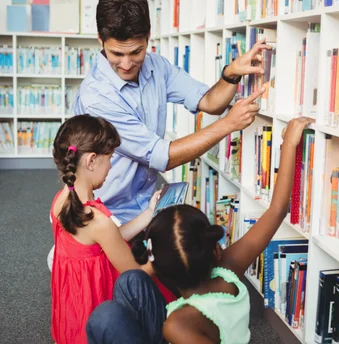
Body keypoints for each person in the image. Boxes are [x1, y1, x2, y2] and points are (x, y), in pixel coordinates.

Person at [73, 0, 269, 225]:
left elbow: (209, 102)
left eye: (136, 52)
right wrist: (228, 125)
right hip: (103, 213)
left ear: (148, 37)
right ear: (100, 40)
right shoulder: (96, 97)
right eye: (116, 54)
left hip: (145, 205)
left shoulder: (157, 66)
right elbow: (162, 157)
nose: (126, 64)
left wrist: (230, 75)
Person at [128, 116, 315, 343]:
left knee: (111, 314)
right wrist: (289, 146)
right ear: (213, 249)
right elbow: (277, 209)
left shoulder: (178, 324)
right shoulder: (229, 270)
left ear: (159, 270)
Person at [49, 114, 175, 344]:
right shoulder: (97, 221)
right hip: (99, 306)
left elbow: (106, 241)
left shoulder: (62, 201)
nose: (110, 166)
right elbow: (135, 275)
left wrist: (148, 214)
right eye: (110, 158)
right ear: (91, 161)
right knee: (163, 290)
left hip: (74, 309)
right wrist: (166, 257)